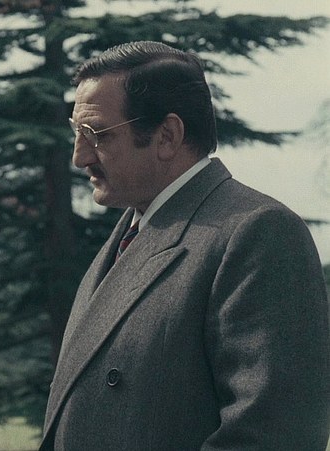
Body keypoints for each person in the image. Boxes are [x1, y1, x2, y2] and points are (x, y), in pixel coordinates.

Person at [40, 41, 330, 450]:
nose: (80, 157)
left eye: (96, 134)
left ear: (167, 136)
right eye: (77, 133)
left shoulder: (257, 232)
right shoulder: (131, 234)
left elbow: (275, 434)